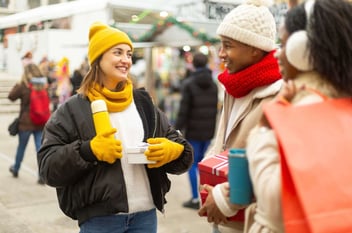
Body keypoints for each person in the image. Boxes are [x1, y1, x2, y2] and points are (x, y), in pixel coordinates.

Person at [37, 22, 193, 233]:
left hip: (145, 216)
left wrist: (174, 151)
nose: (126, 60)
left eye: (129, 54)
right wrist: (88, 151)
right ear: (98, 59)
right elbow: (48, 168)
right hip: (100, 220)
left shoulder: (143, 103)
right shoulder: (72, 110)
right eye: (117, 52)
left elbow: (179, 145)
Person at [245, 0, 352, 232]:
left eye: (283, 45)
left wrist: (263, 132)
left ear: (303, 50)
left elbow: (275, 199)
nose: (277, 55)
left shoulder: (308, 107)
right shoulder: (342, 102)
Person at [197, 0, 282, 232]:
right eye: (220, 45)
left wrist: (226, 198)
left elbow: (273, 166)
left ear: (254, 48)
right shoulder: (232, 87)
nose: (221, 54)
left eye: (228, 45)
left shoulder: (279, 94)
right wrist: (207, 178)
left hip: (252, 220)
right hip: (221, 211)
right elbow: (221, 141)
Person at [175, 52, 218, 209]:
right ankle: (206, 196)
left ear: (194, 64)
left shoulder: (189, 84)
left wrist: (176, 129)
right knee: (203, 163)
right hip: (208, 131)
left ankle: (195, 198)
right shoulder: (213, 85)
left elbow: (183, 111)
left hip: (193, 131)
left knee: (192, 163)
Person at [8, 63, 48, 184]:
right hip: (40, 122)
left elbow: (11, 96)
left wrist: (19, 83)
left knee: (21, 147)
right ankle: (41, 176)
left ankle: (16, 168)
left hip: (25, 123)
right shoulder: (42, 84)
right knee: (40, 149)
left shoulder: (24, 85)